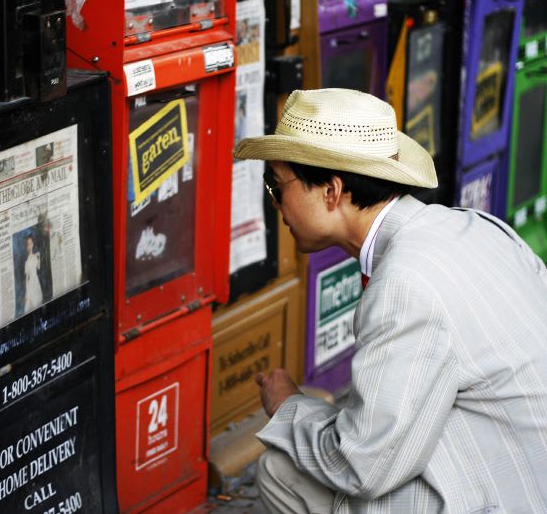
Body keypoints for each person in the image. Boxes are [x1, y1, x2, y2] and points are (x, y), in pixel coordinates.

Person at [233, 88, 547, 513]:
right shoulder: (477, 227)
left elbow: (364, 465)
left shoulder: (404, 281)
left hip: (509, 495)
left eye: (276, 185)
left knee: (279, 471)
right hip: (522, 466)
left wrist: (289, 407)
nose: (276, 205)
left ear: (331, 191)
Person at [23, 234, 43, 312]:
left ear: (33, 244)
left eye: (30, 244)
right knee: (31, 304)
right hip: (31, 284)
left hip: (36, 282)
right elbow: (27, 278)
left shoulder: (35, 256)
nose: (29, 246)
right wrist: (26, 294)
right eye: (27, 245)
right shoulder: (26, 261)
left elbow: (38, 267)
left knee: (38, 302)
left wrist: (38, 257)